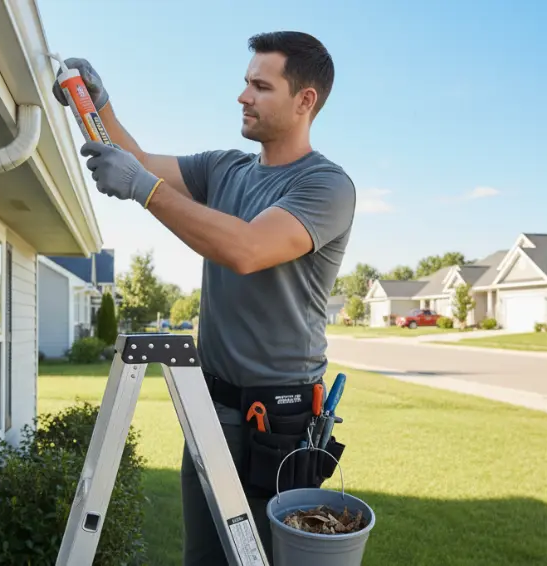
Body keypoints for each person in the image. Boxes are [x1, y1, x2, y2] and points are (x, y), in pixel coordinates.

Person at [53, 31, 356, 565]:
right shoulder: (225, 168)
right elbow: (137, 159)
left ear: (304, 101)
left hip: (278, 424)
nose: (243, 96)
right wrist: (95, 107)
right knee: (205, 559)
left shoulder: (326, 186)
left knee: (262, 559)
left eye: (261, 86)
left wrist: (144, 190)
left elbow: (246, 248)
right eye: (245, 83)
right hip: (209, 409)